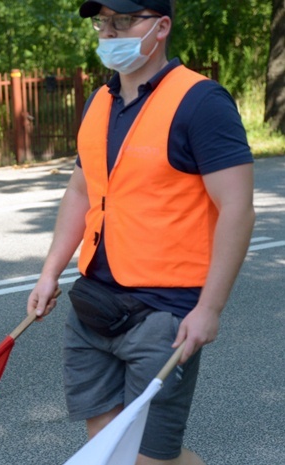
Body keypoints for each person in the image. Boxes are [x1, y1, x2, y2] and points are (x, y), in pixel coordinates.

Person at [26, 0, 255, 464]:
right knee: (109, 451)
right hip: (93, 306)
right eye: (102, 22)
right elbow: (81, 191)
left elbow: (237, 209)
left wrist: (209, 309)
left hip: (164, 315)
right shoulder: (100, 100)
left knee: (149, 458)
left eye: (125, 20)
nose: (109, 32)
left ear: (162, 26)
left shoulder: (201, 101)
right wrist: (49, 271)